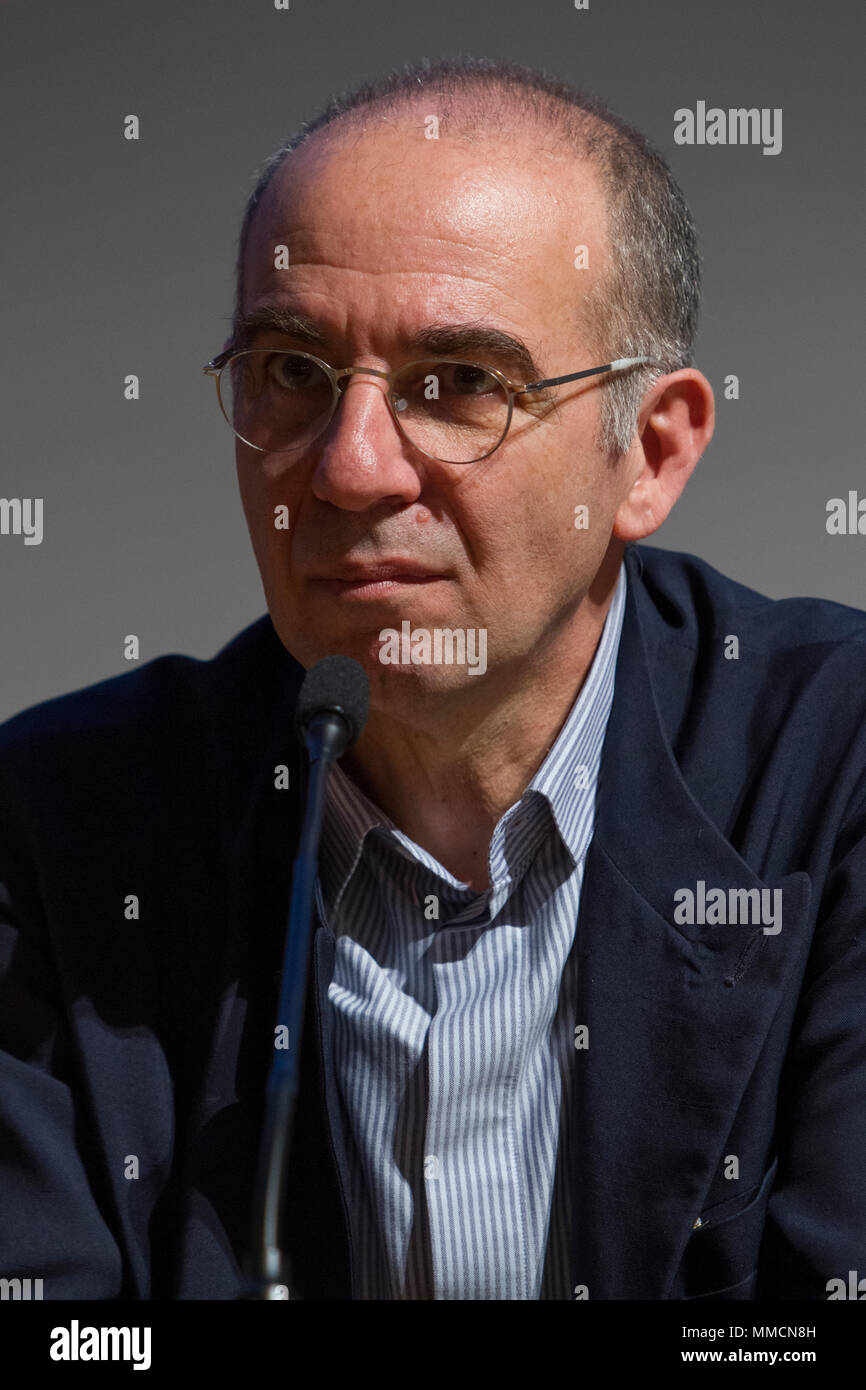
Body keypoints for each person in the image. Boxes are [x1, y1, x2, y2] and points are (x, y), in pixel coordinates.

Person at [1, 56, 864, 1301]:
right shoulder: (53, 826)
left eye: (457, 385)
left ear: (649, 454)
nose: (349, 471)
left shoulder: (830, 769)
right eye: (293, 371)